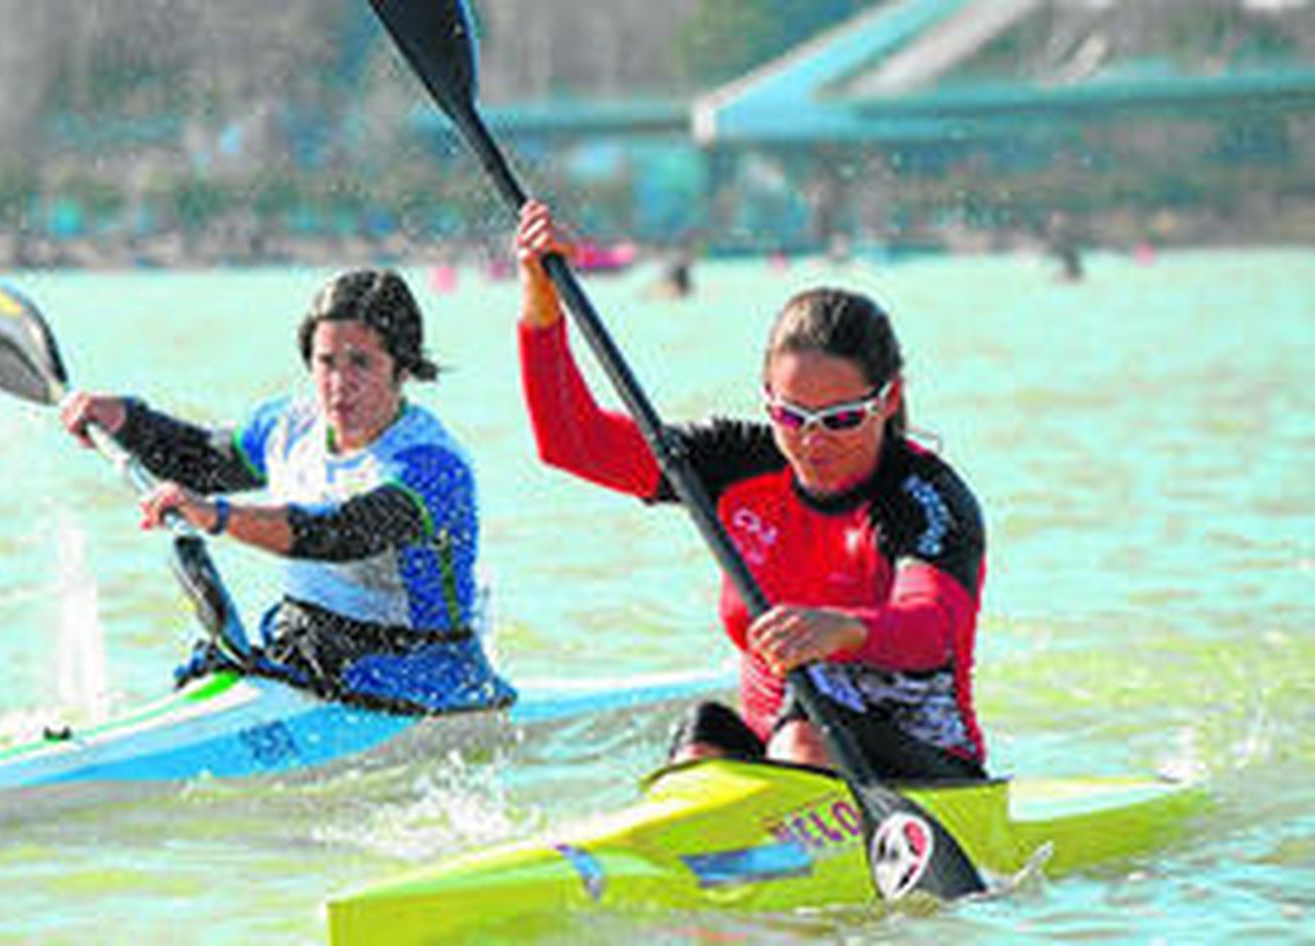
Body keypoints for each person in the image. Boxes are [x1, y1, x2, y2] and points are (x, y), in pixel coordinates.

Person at [514, 200, 988, 781]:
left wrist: (844, 629)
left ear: (888, 400)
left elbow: (931, 628)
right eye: (790, 416)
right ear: (767, 397)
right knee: (701, 738)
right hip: (777, 754)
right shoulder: (735, 462)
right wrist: (541, 306)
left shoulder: (923, 498)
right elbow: (573, 442)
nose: (811, 441)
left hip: (922, 772)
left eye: (840, 419)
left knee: (805, 735)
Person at [60, 268, 513, 715]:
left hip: (421, 667)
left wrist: (218, 517)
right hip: (309, 642)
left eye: (361, 363)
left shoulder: (430, 466)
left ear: (402, 367)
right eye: (326, 362)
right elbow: (203, 459)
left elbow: (340, 533)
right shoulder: (289, 426)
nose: (339, 384)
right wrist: (127, 421)